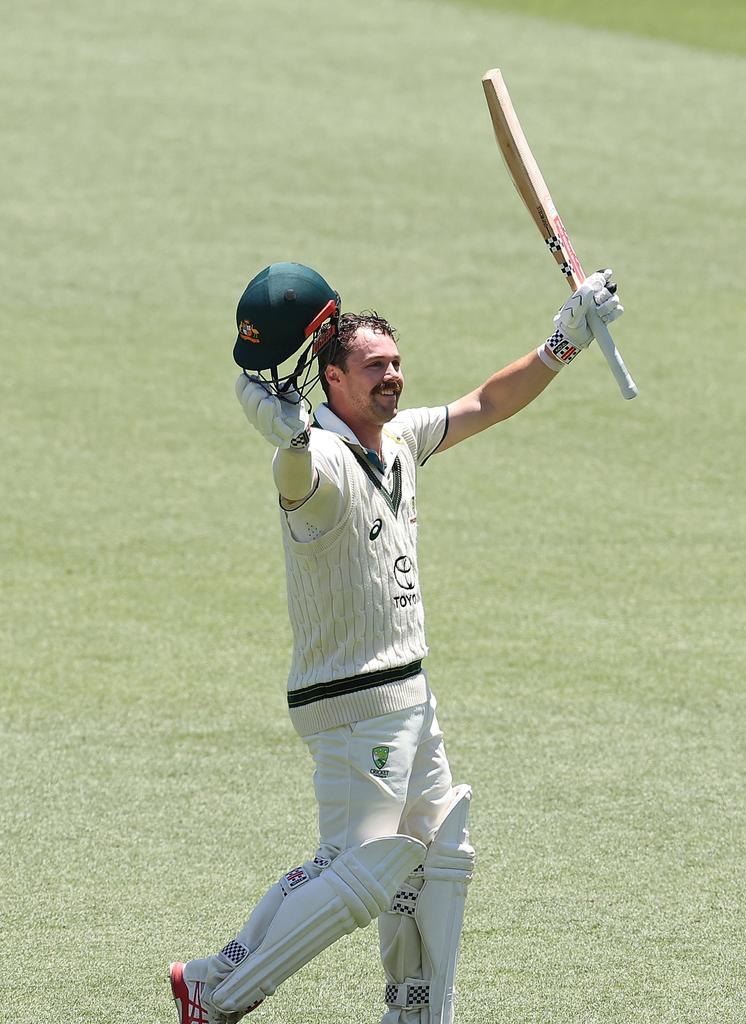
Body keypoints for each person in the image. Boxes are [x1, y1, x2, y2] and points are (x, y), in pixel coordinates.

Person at [169, 262, 624, 1024]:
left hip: (411, 692)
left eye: (396, 363)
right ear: (334, 380)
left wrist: (565, 337)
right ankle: (215, 992)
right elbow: (293, 481)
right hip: (349, 700)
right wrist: (282, 436)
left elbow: (488, 402)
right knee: (366, 869)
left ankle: (415, 1014)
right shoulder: (318, 460)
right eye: (375, 366)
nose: (393, 377)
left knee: (438, 852)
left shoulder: (401, 441)